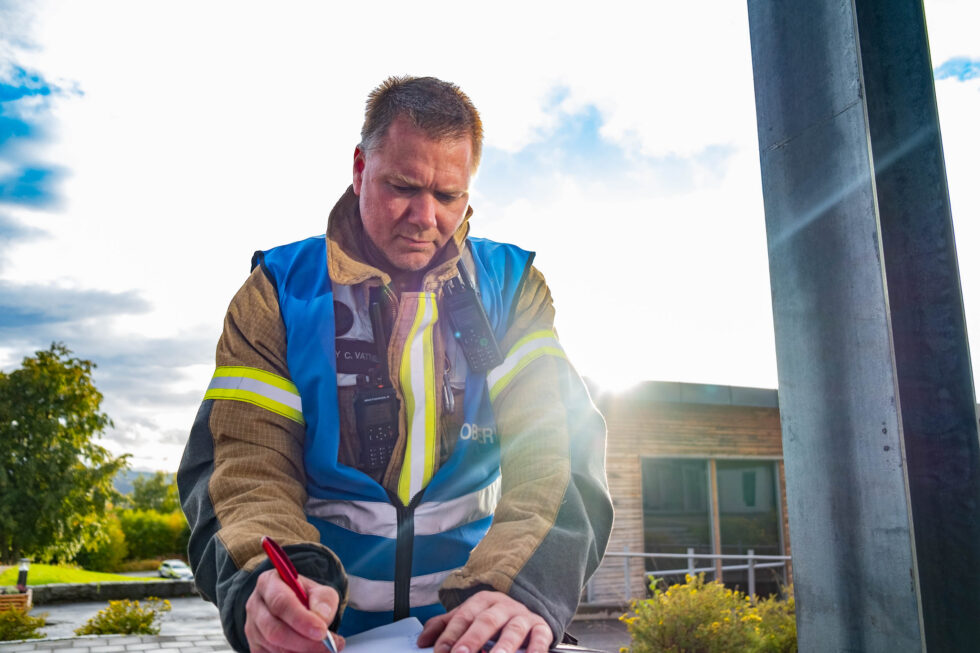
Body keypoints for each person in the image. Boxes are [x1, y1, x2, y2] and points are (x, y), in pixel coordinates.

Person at [178, 75, 613, 653]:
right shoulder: (275, 295)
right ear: (360, 168)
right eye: (403, 186)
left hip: (478, 625)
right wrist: (264, 580)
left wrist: (521, 589)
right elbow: (243, 461)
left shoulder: (513, 289)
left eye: (449, 197)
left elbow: (555, 444)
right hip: (319, 631)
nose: (425, 217)